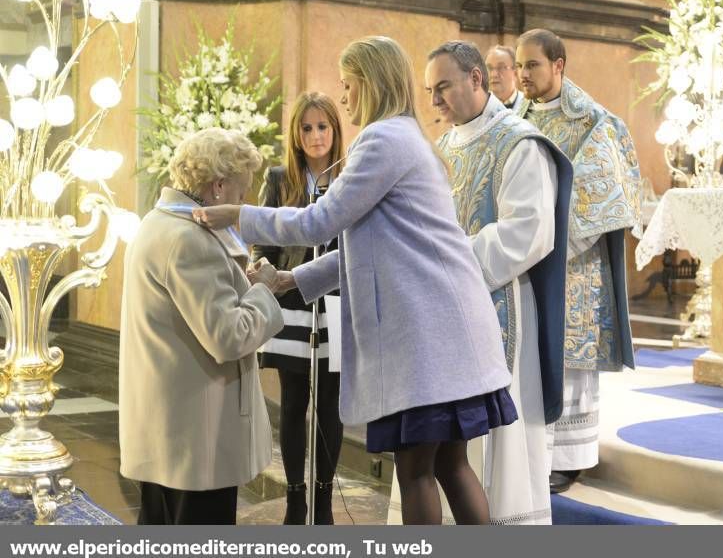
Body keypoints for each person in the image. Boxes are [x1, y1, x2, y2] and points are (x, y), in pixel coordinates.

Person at [193, 35, 517, 525]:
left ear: (371, 83)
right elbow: (363, 246)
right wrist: (289, 278)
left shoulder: (384, 139)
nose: (343, 98)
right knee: (450, 464)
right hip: (449, 327)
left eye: (348, 85)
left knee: (417, 470)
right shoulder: (407, 137)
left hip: (429, 335)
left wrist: (239, 214)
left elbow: (319, 222)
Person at [423, 40, 573, 525]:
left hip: (501, 307)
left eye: (442, 87)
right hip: (445, 313)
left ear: (475, 79)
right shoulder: (443, 147)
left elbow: (530, 231)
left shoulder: (519, 142)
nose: (435, 102)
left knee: (497, 446)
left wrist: (448, 261)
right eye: (429, 91)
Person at [119, 128, 285, 524]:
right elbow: (228, 337)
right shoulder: (188, 239)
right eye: (241, 192)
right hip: (197, 438)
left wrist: (241, 281)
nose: (241, 201)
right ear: (218, 186)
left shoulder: (158, 224)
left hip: (170, 430)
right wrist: (263, 290)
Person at [515, 29, 641, 493]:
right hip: (525, 262)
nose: (524, 75)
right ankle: (532, 448)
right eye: (521, 66)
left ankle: (570, 457)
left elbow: (605, 194)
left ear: (559, 65)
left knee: (568, 358)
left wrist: (546, 241)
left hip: (573, 263)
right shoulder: (513, 118)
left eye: (533, 65)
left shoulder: (591, 120)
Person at [251, 92, 345, 525]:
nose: (315, 136)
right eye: (306, 128)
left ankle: (324, 498)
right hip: (290, 302)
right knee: (292, 403)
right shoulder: (280, 178)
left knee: (330, 404)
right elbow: (264, 239)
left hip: (335, 304)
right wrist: (262, 270)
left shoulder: (348, 178)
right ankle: (294, 495)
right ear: (295, 134)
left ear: (335, 130)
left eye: (322, 126)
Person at [485, 44, 524, 113]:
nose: (493, 74)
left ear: (515, 72)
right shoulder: (480, 106)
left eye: (501, 67)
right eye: (489, 68)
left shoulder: (527, 104)